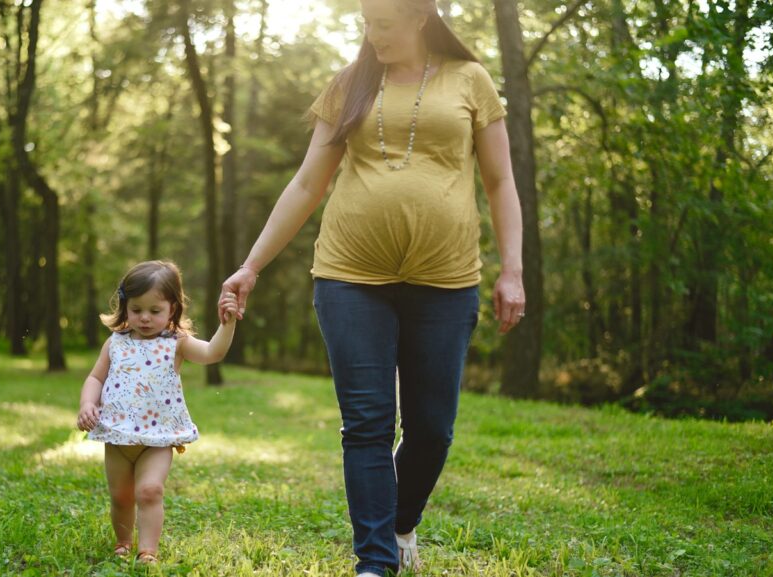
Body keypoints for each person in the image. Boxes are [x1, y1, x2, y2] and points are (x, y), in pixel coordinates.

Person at [219, 0, 525, 574]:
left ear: (420, 17)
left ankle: (401, 521)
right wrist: (251, 265)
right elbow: (309, 181)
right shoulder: (349, 85)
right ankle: (375, 561)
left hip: (446, 279)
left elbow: (500, 179)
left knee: (432, 429)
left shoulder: (470, 79)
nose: (372, 34)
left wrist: (513, 269)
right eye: (366, 22)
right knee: (367, 422)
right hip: (349, 276)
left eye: (383, 23)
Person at [77, 260, 239, 564]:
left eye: (155, 311)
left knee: (150, 491)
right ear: (125, 307)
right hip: (118, 436)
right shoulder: (115, 343)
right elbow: (95, 378)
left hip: (158, 438)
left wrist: (227, 324)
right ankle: (123, 542)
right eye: (137, 309)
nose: (145, 318)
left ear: (172, 309)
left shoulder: (176, 343)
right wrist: (88, 403)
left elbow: (212, 353)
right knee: (122, 497)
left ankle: (147, 551)